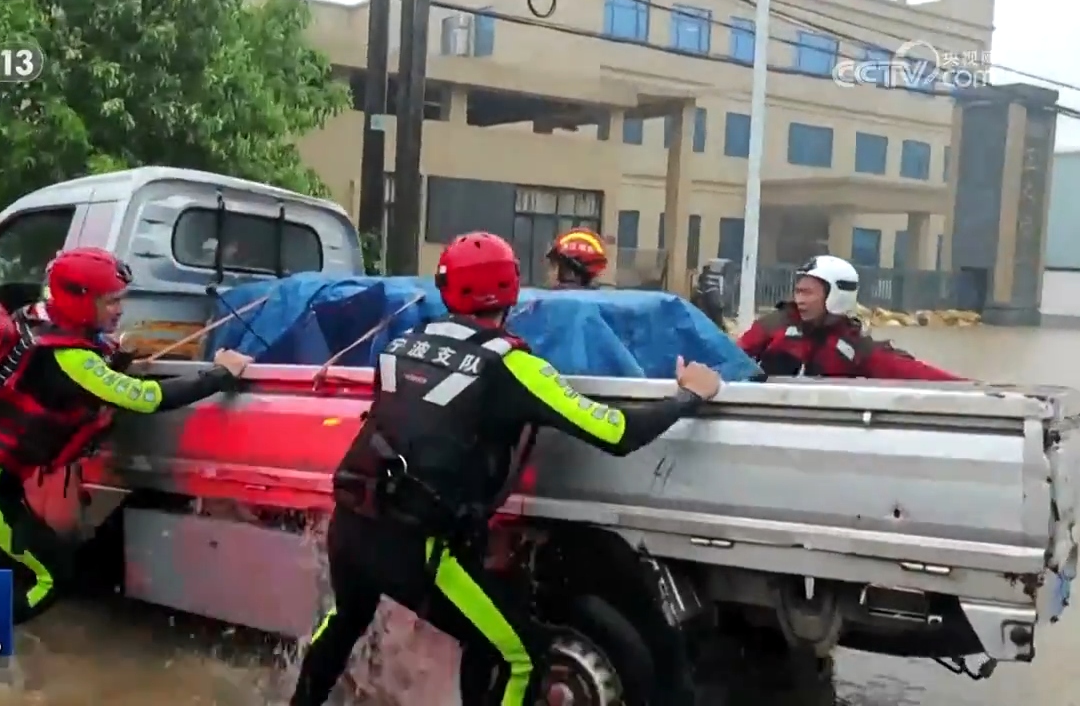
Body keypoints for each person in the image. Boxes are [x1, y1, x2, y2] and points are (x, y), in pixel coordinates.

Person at [289, 232, 722, 706]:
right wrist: (689, 395)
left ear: (445, 287)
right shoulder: (511, 365)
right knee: (521, 656)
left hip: (353, 524)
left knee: (347, 619)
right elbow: (616, 432)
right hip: (415, 547)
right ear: (511, 290)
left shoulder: (401, 345)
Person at [0, 247, 254, 634]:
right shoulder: (69, 358)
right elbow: (146, 398)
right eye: (111, 301)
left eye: (120, 299)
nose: (119, 309)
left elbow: (58, 384)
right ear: (80, 301)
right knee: (51, 574)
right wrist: (220, 374)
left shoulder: (36, 318)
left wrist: (115, 360)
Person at [736, 255, 962, 380]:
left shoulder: (855, 348)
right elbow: (731, 356)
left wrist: (971, 387)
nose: (800, 300)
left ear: (835, 296)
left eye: (808, 293)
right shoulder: (774, 325)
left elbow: (911, 372)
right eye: (798, 292)